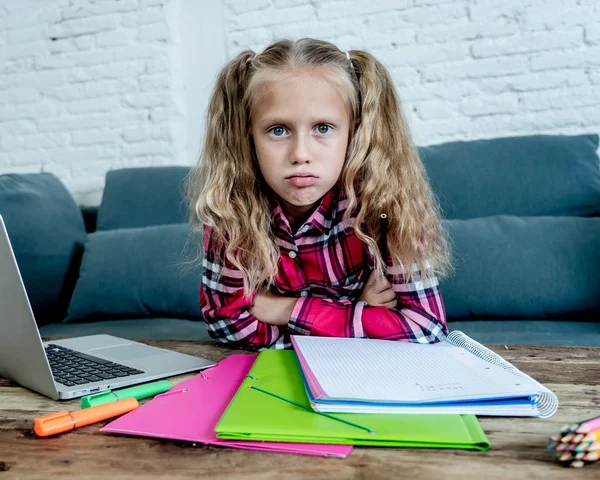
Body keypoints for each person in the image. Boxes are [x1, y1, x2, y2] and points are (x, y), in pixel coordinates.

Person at [187, 38, 450, 349]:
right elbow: (228, 325)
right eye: (278, 130)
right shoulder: (231, 211)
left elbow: (426, 329)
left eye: (323, 128)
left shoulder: (384, 208)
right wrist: (358, 314)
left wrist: (283, 309)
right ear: (249, 135)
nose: (300, 154)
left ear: (354, 132)